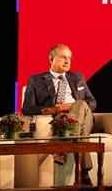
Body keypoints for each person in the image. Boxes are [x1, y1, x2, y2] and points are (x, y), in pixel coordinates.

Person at [21, 44, 96, 183]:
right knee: (79, 129)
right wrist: (54, 109)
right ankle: (84, 174)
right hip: (59, 118)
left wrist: (71, 106)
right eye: (63, 57)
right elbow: (27, 108)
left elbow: (92, 102)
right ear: (51, 59)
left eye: (69, 58)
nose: (67, 61)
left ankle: (61, 147)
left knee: (80, 104)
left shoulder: (77, 77)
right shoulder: (36, 80)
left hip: (82, 114)